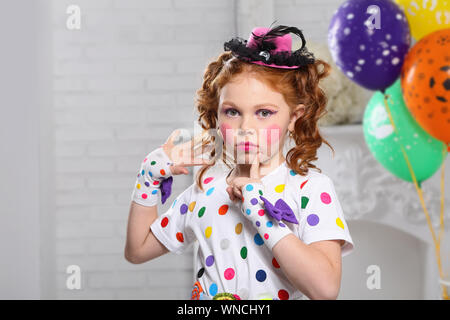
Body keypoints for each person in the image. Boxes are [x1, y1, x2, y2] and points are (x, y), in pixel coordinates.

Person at [125, 24, 354, 300]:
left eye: (264, 113)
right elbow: (137, 250)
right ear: (217, 115)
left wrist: (261, 215)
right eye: (232, 111)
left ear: (294, 117)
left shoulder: (312, 189)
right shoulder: (205, 188)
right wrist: (148, 178)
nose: (246, 127)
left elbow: (325, 289)